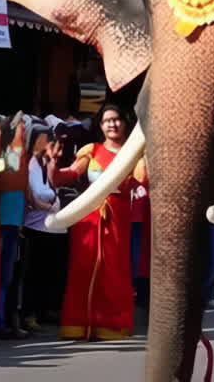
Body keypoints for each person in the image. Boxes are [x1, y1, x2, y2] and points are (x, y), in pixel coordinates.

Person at [53, 104, 145, 340]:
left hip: (119, 218)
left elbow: (143, 181)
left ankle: (112, 324)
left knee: (114, 271)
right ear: (100, 126)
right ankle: (78, 323)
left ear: (124, 123)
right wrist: (52, 164)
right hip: (88, 218)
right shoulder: (91, 150)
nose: (112, 124)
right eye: (106, 121)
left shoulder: (134, 155)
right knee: (82, 269)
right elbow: (68, 175)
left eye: (115, 120)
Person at [22, 124, 67, 331]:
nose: (48, 140)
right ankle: (29, 313)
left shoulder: (45, 162)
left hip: (53, 226)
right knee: (33, 273)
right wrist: (43, 205)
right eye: (44, 137)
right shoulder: (27, 161)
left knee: (51, 271)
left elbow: (52, 187)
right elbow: (34, 194)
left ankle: (45, 310)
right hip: (35, 226)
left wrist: (52, 162)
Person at [0, 116, 29, 339]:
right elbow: (11, 181)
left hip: (12, 225)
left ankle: (1, 322)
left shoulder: (12, 156)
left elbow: (20, 183)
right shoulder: (4, 158)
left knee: (6, 278)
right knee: (1, 277)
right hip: (1, 225)